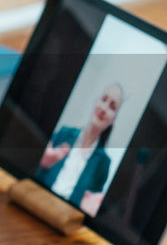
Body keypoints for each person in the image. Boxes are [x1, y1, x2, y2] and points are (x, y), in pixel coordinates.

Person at [35, 83, 124, 216]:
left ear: (113, 119)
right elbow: (32, 173)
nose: (104, 108)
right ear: (96, 101)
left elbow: (87, 212)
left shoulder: (104, 164)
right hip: (37, 203)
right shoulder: (63, 134)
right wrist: (41, 163)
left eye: (112, 106)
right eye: (104, 99)